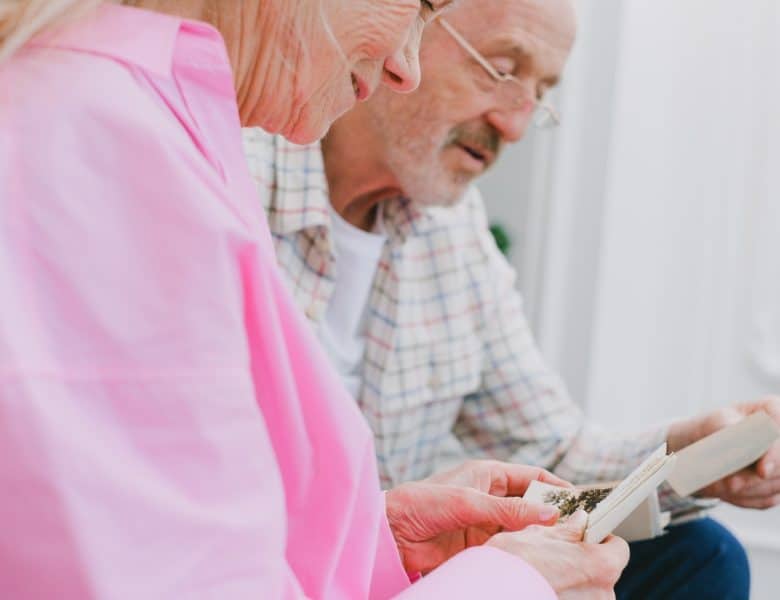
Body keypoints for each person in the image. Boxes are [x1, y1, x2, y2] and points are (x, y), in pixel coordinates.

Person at [0, 0, 632, 598]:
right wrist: (515, 584)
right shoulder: (111, 144)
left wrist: (377, 543)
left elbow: (199, 532)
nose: (403, 68)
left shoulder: (164, 115)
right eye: (419, 7)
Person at [243, 0, 780, 597]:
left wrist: (691, 451)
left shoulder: (452, 230)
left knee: (698, 557)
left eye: (540, 92)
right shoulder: (234, 167)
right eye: (501, 69)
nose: (515, 124)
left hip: (398, 566)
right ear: (406, 25)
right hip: (264, 568)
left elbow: (553, 453)